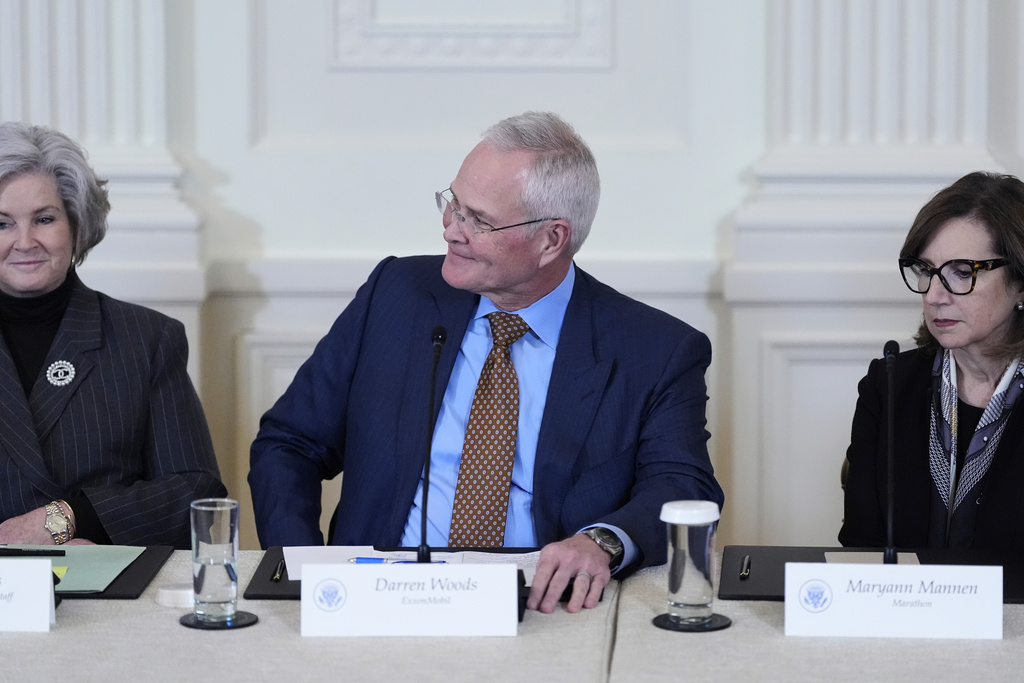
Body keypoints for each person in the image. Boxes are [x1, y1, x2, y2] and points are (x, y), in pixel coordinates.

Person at [249, 111, 724, 613]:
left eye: (479, 219)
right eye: (453, 204)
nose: (451, 230)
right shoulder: (396, 295)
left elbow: (682, 486)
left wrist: (602, 542)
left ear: (551, 240)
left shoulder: (655, 349)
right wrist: (300, 570)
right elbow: (290, 442)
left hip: (546, 605)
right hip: (378, 592)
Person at [0, 122, 226, 549]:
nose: (24, 241)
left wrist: (68, 518)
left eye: (44, 219)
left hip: (108, 587)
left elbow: (194, 489)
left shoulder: (148, 338)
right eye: (2, 223)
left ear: (76, 224)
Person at [841, 171, 1024, 550]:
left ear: (1020, 281)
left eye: (962, 272)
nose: (934, 295)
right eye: (926, 271)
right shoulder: (890, 383)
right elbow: (861, 547)